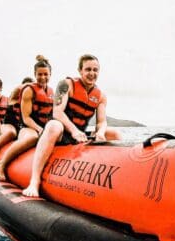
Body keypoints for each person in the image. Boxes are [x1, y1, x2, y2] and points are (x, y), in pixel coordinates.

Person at [22, 54, 121, 197]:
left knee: (114, 134)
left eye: (95, 70)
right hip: (61, 132)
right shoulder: (66, 84)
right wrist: (74, 131)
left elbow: (101, 121)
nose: (92, 73)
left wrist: (100, 132)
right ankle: (34, 180)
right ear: (80, 71)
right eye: (88, 69)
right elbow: (57, 112)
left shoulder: (101, 96)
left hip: (79, 135)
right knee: (54, 126)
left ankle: (114, 180)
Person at [0, 55, 54, 180]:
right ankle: (1, 164)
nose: (43, 77)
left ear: (50, 74)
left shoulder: (52, 92)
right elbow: (26, 118)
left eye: (46, 74)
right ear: (35, 74)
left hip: (44, 128)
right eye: (39, 74)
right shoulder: (29, 90)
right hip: (28, 127)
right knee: (33, 137)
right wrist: (39, 129)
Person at [0, 77, 35, 169]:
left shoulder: (31, 103)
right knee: (11, 133)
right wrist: (33, 86)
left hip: (20, 130)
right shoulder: (13, 97)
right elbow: (17, 89)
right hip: (7, 126)